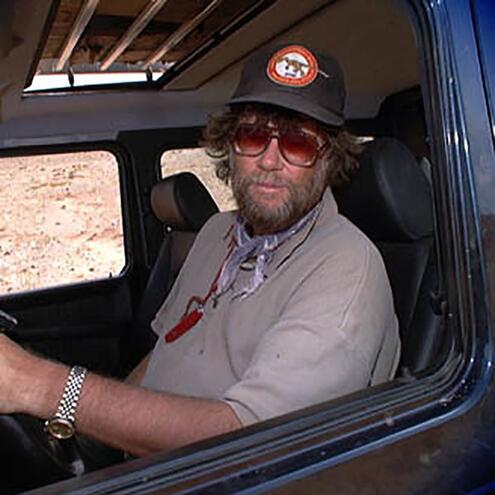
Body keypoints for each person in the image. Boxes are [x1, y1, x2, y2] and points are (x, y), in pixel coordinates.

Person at [0, 44, 399, 457]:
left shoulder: (347, 268)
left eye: (298, 144)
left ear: (329, 160)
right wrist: (99, 440)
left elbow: (253, 442)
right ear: (230, 146)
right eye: (253, 135)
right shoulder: (216, 231)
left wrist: (42, 387)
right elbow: (162, 354)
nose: (269, 159)